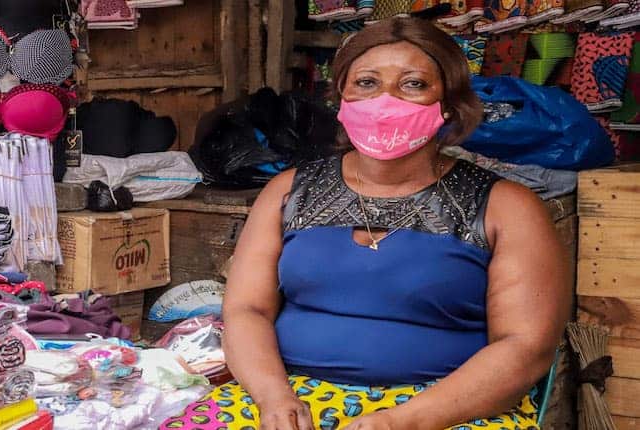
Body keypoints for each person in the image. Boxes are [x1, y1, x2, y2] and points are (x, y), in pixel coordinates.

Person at [162, 17, 569, 430]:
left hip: (443, 408)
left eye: (413, 84)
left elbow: (525, 346)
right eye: (367, 83)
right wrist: (274, 398)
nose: (385, 99)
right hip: (290, 394)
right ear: (341, 97)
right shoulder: (289, 191)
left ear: (447, 102)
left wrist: (400, 421)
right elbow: (246, 309)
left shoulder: (507, 206)